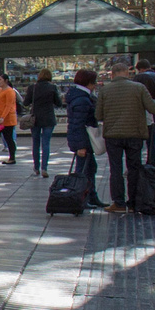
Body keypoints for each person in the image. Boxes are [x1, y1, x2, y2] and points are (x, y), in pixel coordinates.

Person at [96, 59, 155, 209]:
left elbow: (98, 115)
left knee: (115, 169)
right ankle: (134, 202)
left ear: (112, 75)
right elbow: (153, 108)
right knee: (134, 168)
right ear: (128, 74)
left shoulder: (104, 90)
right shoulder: (139, 88)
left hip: (113, 135)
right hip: (134, 133)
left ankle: (118, 203)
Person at [64, 67, 103, 208]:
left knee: (89, 167)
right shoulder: (83, 100)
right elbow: (78, 124)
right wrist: (80, 146)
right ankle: (81, 197)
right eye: (94, 82)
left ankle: (90, 196)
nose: (95, 85)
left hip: (82, 139)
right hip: (83, 140)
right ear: (89, 83)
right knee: (84, 170)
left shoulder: (79, 96)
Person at [27, 69, 59, 179]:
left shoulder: (33, 88)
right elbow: (58, 103)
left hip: (35, 119)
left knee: (35, 143)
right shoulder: (52, 87)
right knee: (46, 143)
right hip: (49, 118)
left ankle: (36, 167)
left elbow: (26, 102)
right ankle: (44, 168)